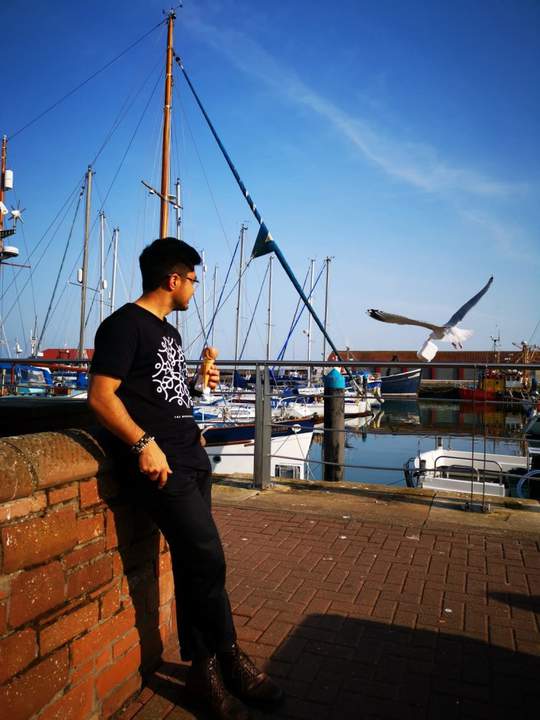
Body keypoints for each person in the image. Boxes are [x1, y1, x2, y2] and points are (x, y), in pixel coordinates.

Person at [88, 237, 282, 720]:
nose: (195, 288)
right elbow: (101, 397)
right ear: (173, 279)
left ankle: (204, 671)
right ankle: (228, 658)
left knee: (197, 564)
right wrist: (142, 444)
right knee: (209, 557)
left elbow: (166, 395)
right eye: (192, 279)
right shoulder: (121, 326)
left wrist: (199, 382)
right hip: (160, 465)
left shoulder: (170, 335)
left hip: (191, 457)